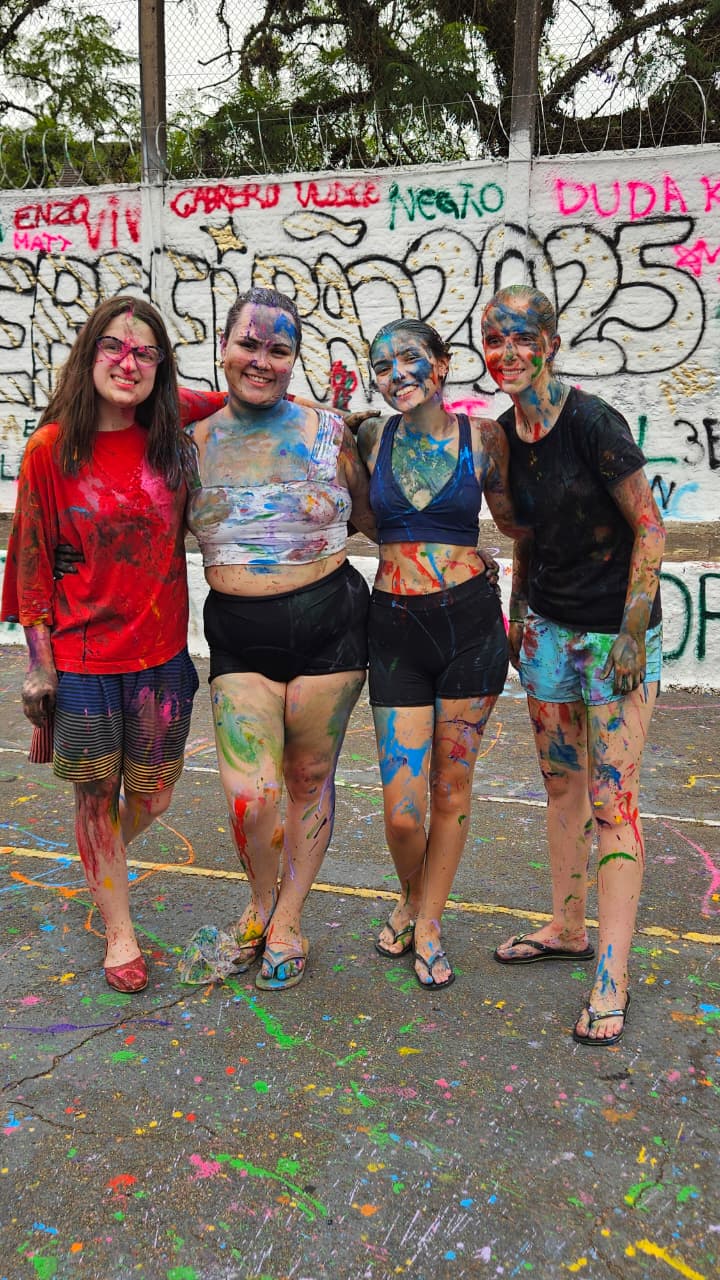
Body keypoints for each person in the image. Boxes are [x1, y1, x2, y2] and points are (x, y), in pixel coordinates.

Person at [0, 296, 222, 994]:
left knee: (153, 797)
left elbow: (246, 392)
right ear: (89, 353)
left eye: (145, 353)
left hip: (161, 658)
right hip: (85, 660)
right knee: (95, 798)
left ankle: (102, 863)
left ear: (161, 367)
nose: (129, 364)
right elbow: (30, 562)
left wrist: (327, 415)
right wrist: (39, 666)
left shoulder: (171, 430)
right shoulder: (50, 449)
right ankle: (119, 929)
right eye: (114, 348)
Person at [483, 285, 665, 1047]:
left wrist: (631, 632)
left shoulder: (593, 423)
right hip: (550, 636)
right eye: (495, 339)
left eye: (522, 337)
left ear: (551, 343)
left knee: (612, 801)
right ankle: (566, 927)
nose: (508, 352)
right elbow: (526, 536)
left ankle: (612, 975)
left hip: (613, 639)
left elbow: (650, 526)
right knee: (561, 785)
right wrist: (519, 612)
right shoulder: (505, 434)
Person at [184, 286, 377, 992]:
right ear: (224, 348)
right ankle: (261, 901)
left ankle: (287, 918)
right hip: (240, 640)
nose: (261, 360)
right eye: (249, 344)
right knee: (252, 796)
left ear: (294, 358)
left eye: (278, 348)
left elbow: (376, 519)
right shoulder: (190, 446)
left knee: (307, 779)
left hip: (333, 631)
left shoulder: (331, 434)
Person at [356, 318, 524, 989]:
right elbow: (363, 517)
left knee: (451, 788)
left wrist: (520, 601)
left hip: (470, 628)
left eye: (410, 358)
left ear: (442, 364)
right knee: (402, 810)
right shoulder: (370, 437)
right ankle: (410, 894)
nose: (397, 373)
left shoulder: (484, 439)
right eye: (382, 365)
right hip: (395, 629)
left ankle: (426, 920)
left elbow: (516, 523)